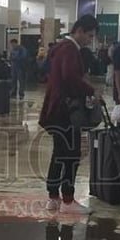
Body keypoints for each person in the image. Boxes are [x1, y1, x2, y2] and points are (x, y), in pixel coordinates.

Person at [39, 15, 100, 215]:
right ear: (79, 30)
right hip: (66, 111)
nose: (90, 40)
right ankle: (67, 199)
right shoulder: (70, 49)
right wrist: (91, 91)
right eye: (89, 36)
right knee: (71, 155)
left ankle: (53, 198)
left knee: (59, 154)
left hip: (56, 108)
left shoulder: (62, 48)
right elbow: (70, 78)